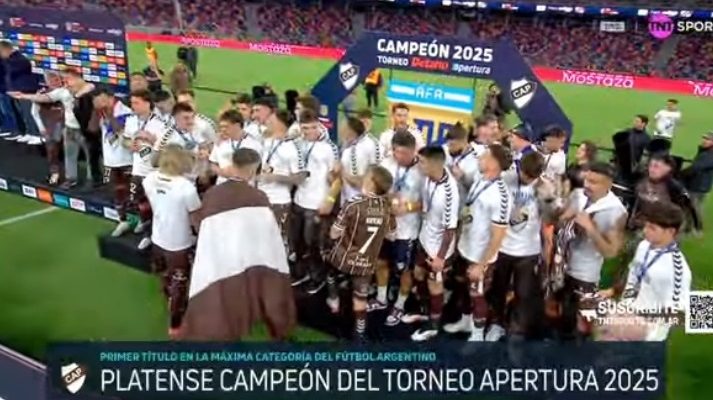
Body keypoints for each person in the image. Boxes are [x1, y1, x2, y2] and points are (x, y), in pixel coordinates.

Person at [181, 148, 297, 341]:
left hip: (222, 259)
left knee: (225, 299)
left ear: (233, 164)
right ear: (253, 170)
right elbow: (268, 237)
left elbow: (202, 227)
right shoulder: (259, 197)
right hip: (250, 258)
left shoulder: (213, 194)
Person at [444, 144, 512, 342]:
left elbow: (498, 235)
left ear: (493, 163)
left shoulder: (501, 195)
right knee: (463, 288)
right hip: (465, 247)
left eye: (483, 156)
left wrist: (481, 265)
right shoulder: (480, 180)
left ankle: (477, 335)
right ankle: (466, 322)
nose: (479, 159)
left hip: (479, 255)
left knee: (477, 294)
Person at [597, 202, 691, 341]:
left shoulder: (678, 270)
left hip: (646, 334)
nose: (645, 231)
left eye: (652, 228)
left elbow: (682, 314)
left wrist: (640, 320)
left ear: (671, 232)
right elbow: (635, 274)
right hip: (625, 315)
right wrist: (613, 291)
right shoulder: (644, 245)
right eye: (645, 225)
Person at [557, 162, 628, 340]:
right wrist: (563, 217)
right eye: (587, 180)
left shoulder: (615, 211)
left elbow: (611, 252)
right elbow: (561, 221)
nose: (587, 185)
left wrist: (591, 228)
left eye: (594, 182)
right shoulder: (580, 195)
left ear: (608, 185)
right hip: (561, 266)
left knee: (581, 325)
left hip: (584, 275)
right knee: (562, 317)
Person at [326, 165, 395, 341]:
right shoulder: (388, 208)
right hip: (367, 262)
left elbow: (334, 233)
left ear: (371, 182)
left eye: (366, 175)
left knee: (329, 266)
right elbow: (392, 236)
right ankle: (360, 333)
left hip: (344, 257)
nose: (363, 177)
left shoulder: (354, 203)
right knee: (360, 298)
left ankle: (333, 300)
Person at [142, 144, 201, 339]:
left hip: (158, 238)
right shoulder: (186, 188)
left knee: (165, 275)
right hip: (179, 242)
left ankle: (169, 299)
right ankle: (176, 325)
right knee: (179, 283)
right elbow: (195, 218)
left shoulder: (149, 179)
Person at [486, 152, 545, 341]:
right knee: (498, 288)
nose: (527, 179)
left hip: (528, 250)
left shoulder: (545, 189)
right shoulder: (505, 179)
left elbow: (551, 219)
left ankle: (516, 330)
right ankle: (496, 324)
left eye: (531, 177)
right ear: (520, 168)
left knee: (523, 293)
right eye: (525, 174)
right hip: (503, 246)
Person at [369, 131, 424, 327]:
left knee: (404, 270)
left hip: (407, 229)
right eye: (398, 152)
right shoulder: (386, 164)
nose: (401, 157)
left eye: (406, 153)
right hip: (385, 226)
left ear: (414, 150)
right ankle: (381, 298)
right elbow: (374, 190)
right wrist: (386, 199)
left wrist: (407, 207)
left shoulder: (422, 170)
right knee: (380, 262)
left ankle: (400, 305)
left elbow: (429, 202)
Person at [409, 146, 460, 341]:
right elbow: (426, 206)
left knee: (435, 285)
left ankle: (433, 325)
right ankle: (425, 310)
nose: (419, 165)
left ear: (433, 164)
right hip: (425, 238)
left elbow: (450, 229)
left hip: (438, 248)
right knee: (418, 274)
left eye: (422, 162)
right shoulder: (429, 178)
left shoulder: (449, 193)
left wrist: (440, 257)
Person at [290, 110, 339, 293]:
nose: (309, 131)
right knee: (298, 242)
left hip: (316, 202)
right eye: (305, 128)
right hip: (299, 199)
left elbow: (335, 178)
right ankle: (301, 273)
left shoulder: (328, 148)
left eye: (313, 127)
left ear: (319, 126)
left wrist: (330, 200)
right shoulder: (296, 144)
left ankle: (317, 277)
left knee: (314, 244)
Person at [121, 89, 170, 250]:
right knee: (137, 201)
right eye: (132, 103)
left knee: (154, 205)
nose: (133, 106)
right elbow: (125, 140)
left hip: (154, 172)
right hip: (137, 170)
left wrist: (152, 138)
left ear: (148, 103)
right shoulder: (130, 120)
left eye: (137, 103)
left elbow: (167, 147)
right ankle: (144, 224)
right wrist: (130, 145)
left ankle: (150, 235)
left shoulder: (160, 123)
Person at [258, 109, 307, 254]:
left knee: (277, 242)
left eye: (271, 119)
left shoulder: (292, 148)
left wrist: (276, 177)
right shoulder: (267, 142)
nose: (267, 122)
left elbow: (300, 177)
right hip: (260, 198)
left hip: (278, 201)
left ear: (279, 123)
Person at [93, 87, 135, 237]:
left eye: (103, 100)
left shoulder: (125, 111)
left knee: (133, 192)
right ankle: (122, 220)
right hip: (110, 161)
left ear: (111, 98)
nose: (101, 103)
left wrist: (108, 113)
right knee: (115, 192)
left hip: (126, 160)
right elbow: (92, 129)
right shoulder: (102, 112)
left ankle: (141, 221)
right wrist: (96, 111)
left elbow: (118, 129)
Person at [630, 153, 701, 233]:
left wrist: (696, 225)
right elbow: (637, 202)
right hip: (645, 224)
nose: (652, 169)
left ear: (668, 168)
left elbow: (689, 204)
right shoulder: (641, 182)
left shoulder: (674, 187)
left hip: (665, 227)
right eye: (650, 165)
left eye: (656, 166)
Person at [21, 72, 67, 185]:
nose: (55, 82)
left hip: (68, 126)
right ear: (47, 82)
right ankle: (55, 174)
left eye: (57, 80)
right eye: (52, 80)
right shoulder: (41, 94)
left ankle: (73, 176)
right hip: (51, 128)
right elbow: (34, 112)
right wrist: (41, 128)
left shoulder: (67, 92)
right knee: (52, 152)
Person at [65, 69, 102, 188]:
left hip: (85, 130)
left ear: (78, 78)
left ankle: (92, 179)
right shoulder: (67, 91)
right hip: (69, 127)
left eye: (69, 79)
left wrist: (77, 95)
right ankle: (71, 178)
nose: (66, 83)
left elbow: (91, 87)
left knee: (90, 156)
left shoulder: (89, 92)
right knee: (70, 155)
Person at [334, 117, 382, 207]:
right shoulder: (345, 146)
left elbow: (368, 179)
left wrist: (343, 173)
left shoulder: (368, 145)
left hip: (361, 202)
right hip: (346, 200)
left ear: (350, 131)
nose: (340, 130)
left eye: (342, 127)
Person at [0, 40, 39, 144]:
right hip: (16, 91)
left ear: (6, 50)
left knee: (29, 113)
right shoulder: (10, 59)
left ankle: (36, 134)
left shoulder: (20, 59)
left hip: (26, 90)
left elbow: (11, 70)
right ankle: (29, 132)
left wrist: (4, 61)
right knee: (23, 114)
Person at [209, 109, 263, 185]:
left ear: (237, 125)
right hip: (222, 185)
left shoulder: (253, 144)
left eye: (226, 126)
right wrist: (222, 172)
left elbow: (257, 169)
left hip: (245, 186)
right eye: (221, 127)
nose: (223, 130)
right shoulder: (220, 142)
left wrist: (237, 173)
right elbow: (212, 163)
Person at [443, 122, 480, 203]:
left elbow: (477, 186)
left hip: (462, 200)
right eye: (448, 144)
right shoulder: (445, 150)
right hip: (444, 198)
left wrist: (463, 177)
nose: (449, 148)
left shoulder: (476, 158)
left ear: (464, 141)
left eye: (452, 145)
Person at [681, 133, 713, 217]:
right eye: (704, 138)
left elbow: (696, 168)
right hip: (697, 184)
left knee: (694, 209)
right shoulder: (704, 152)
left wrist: (681, 174)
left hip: (698, 187)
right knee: (690, 208)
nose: (704, 141)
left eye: (708, 139)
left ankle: (696, 225)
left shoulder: (710, 155)